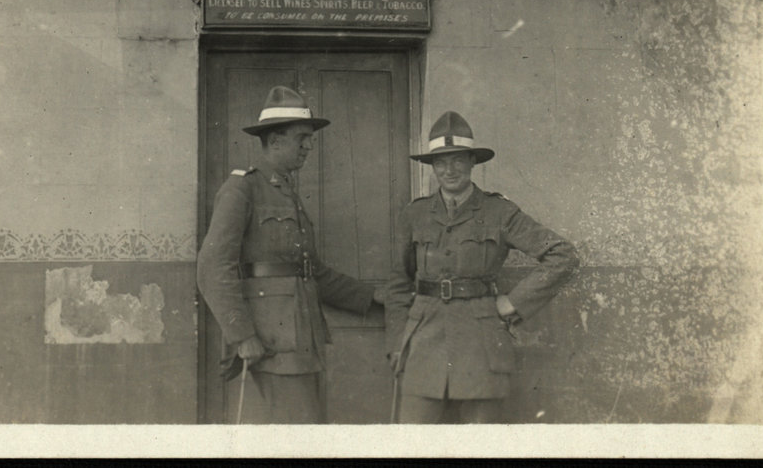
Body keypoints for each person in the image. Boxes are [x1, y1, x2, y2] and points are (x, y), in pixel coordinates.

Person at [197, 85, 383, 423]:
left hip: (302, 340)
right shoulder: (243, 188)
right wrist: (243, 335)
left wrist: (374, 296)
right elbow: (212, 267)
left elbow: (312, 273)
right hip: (270, 342)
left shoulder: (287, 192)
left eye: (309, 138)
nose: (309, 146)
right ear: (275, 140)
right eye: (302, 138)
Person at [385, 111, 578, 423]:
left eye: (458, 160)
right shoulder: (414, 215)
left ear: (472, 162)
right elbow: (397, 282)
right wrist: (396, 344)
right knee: (414, 440)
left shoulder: (499, 212)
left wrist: (513, 303)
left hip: (480, 343)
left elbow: (563, 255)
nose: (450, 170)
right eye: (441, 162)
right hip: (423, 343)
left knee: (481, 442)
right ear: (432, 166)